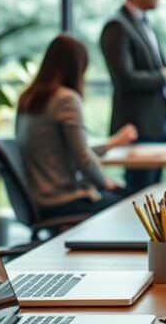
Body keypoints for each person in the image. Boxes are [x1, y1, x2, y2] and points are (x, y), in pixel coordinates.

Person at [16, 35, 138, 218]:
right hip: (65, 200)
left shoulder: (28, 98)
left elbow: (69, 152)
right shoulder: (66, 99)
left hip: (41, 197)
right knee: (138, 205)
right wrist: (105, 183)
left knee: (130, 198)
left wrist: (112, 144)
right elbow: (83, 159)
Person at [99, 0, 166, 193]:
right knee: (141, 193)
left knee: (155, 193)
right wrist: (165, 75)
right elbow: (125, 78)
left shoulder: (145, 24)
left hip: (159, 121)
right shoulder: (117, 26)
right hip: (138, 124)